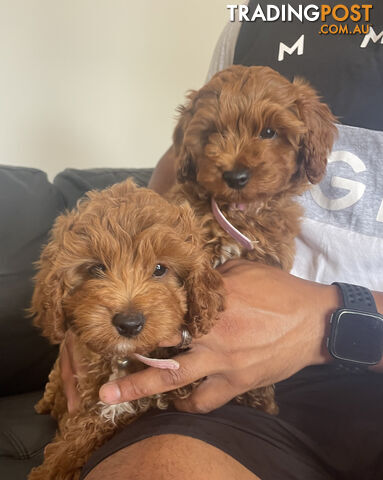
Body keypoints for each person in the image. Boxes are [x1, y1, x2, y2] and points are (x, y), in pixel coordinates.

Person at [64, 2, 383, 478]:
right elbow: (185, 151)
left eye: (270, 132)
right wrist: (105, 299)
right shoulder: (256, 17)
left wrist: (328, 320)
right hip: (221, 365)